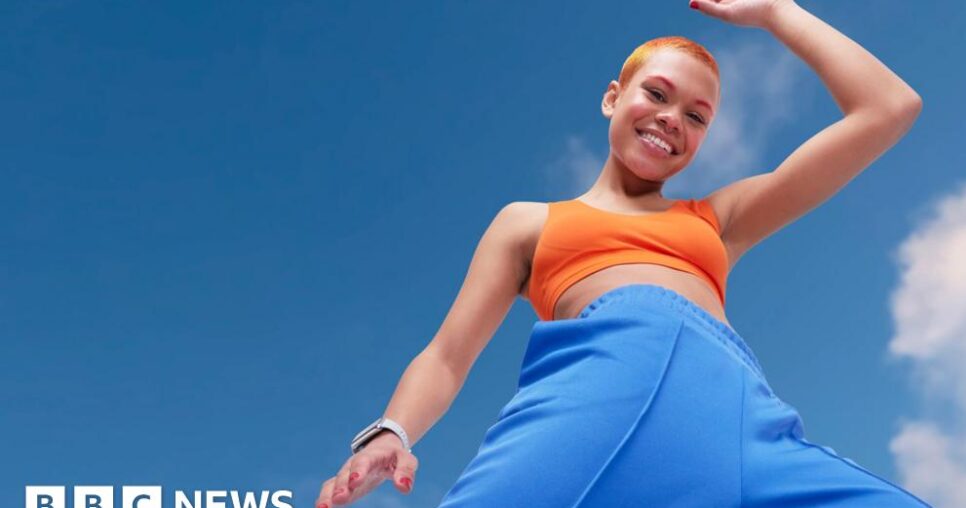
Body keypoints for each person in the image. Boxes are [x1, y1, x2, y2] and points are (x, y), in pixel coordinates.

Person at [318, 1, 928, 506]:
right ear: (613, 97)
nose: (671, 119)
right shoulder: (529, 222)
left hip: (745, 428)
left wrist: (775, 11)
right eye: (656, 94)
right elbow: (448, 356)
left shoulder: (719, 220)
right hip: (590, 409)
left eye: (696, 115)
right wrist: (391, 431)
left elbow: (888, 108)